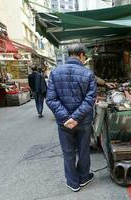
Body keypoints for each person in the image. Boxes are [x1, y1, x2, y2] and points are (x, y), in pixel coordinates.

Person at [46, 43, 97, 192]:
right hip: (84, 121)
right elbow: (90, 99)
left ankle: (73, 182)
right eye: (84, 57)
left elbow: (51, 99)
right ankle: (83, 177)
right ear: (81, 55)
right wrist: (76, 117)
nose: (84, 60)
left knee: (68, 152)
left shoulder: (55, 73)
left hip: (64, 123)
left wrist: (66, 118)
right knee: (83, 150)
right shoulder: (88, 74)